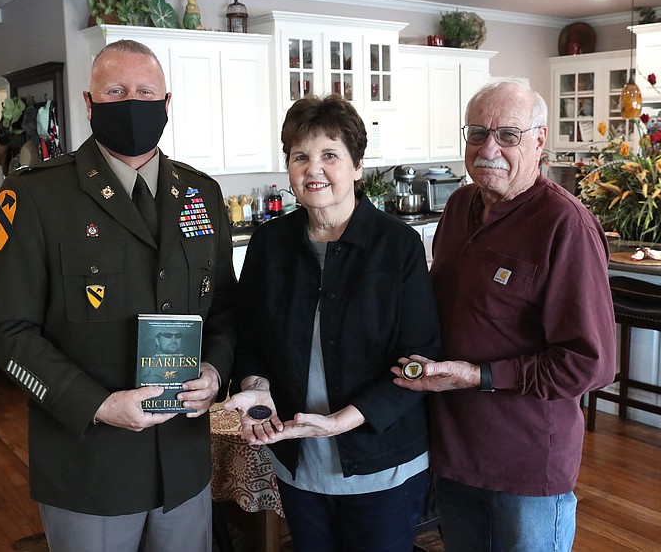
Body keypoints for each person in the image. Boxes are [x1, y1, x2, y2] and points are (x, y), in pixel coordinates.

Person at [0, 39, 237, 552]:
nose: (132, 103)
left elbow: (226, 311)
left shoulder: (201, 194)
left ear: (167, 104)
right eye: (116, 91)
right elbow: (6, 332)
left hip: (183, 463)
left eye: (145, 92)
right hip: (88, 465)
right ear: (89, 101)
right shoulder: (33, 195)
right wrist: (99, 405)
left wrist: (215, 372)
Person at [392, 78, 616, 552]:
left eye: (508, 135)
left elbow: (590, 363)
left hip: (526, 460)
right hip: (453, 449)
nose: (488, 148)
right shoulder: (458, 206)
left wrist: (479, 375)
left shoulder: (565, 224)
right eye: (477, 133)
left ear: (539, 139)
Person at [224, 94, 441, 552]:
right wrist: (256, 383)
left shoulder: (398, 246)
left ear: (357, 167)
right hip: (298, 458)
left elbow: (421, 357)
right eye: (300, 156)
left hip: (383, 459)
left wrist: (345, 420)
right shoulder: (269, 244)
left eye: (330, 155)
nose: (313, 169)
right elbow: (250, 335)